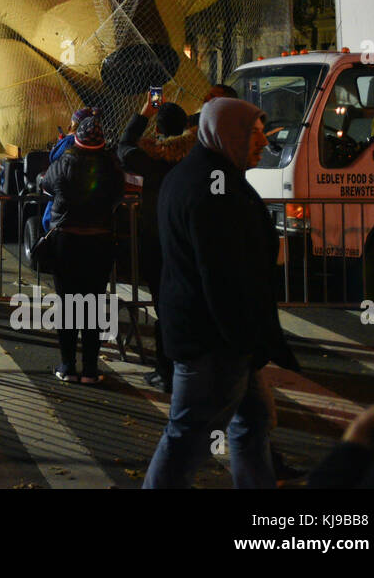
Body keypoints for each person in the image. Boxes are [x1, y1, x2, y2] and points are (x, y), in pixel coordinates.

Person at [143, 98, 299, 489]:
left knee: (254, 420)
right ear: (228, 134)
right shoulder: (212, 187)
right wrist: (243, 340)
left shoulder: (208, 175)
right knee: (188, 437)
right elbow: (221, 275)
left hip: (218, 337)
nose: (264, 142)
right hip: (216, 342)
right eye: (255, 133)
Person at [116, 99, 196, 392]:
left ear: (158, 128)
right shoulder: (194, 156)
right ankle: (179, 366)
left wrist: (142, 115)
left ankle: (167, 370)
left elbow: (124, 145)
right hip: (186, 240)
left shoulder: (150, 160)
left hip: (156, 238)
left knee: (165, 306)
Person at [39, 114, 125, 383]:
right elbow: (118, 194)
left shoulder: (65, 161)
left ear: (77, 138)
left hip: (67, 241)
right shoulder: (111, 164)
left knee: (67, 304)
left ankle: (67, 366)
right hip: (100, 242)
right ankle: (90, 369)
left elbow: (46, 184)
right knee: (93, 305)